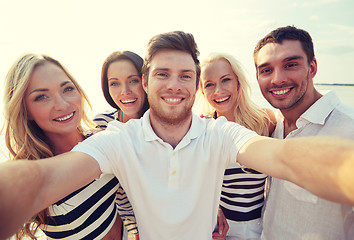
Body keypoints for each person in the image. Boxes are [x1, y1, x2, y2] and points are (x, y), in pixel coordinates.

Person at [1, 31, 354, 240]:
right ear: (146, 80)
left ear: (195, 83)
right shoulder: (119, 138)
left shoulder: (220, 133)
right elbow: (44, 177)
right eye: (163, 74)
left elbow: (283, 157)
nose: (174, 85)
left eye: (185, 75)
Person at [2, 53, 122, 240]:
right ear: (25, 111)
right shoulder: (37, 170)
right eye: (42, 97)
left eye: (67, 89)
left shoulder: (101, 134)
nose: (62, 105)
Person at [253, 26, 354, 240]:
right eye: (266, 70)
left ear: (312, 67)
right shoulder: (272, 126)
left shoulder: (348, 129)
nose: (277, 79)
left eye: (291, 65)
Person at [199, 53, 276, 239]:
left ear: (238, 83)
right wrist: (214, 209)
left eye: (226, 80)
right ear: (202, 91)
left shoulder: (266, 121)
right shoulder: (203, 130)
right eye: (209, 84)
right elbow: (197, 185)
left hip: (264, 226)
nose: (218, 90)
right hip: (221, 230)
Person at [93, 51, 148, 240]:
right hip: (124, 228)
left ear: (145, 81)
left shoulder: (162, 123)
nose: (125, 91)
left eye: (133, 80)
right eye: (114, 83)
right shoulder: (101, 124)